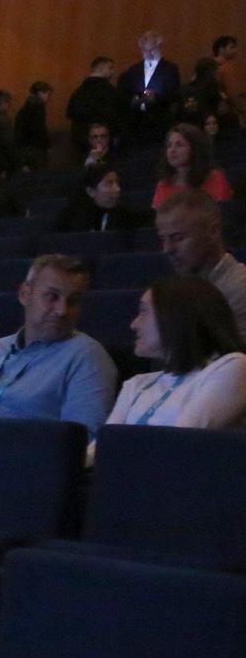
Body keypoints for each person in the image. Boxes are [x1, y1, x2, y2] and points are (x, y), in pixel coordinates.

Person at [0, 255, 117, 434]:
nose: (62, 311)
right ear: (25, 294)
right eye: (52, 296)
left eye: (73, 301)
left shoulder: (86, 356)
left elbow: (81, 442)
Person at [104, 275, 246, 430]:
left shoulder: (232, 367)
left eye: (143, 311)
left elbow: (179, 442)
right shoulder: (136, 384)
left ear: (176, 316)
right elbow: (104, 445)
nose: (134, 324)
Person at [157, 190, 246, 332]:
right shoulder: (182, 290)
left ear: (213, 232)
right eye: (163, 239)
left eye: (177, 238)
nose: (167, 249)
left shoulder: (241, 288)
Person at [119, 30, 182, 144]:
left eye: (152, 49)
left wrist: (156, 98)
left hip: (160, 121)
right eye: (145, 50)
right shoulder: (133, 70)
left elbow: (175, 93)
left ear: (159, 45)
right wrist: (134, 100)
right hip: (137, 124)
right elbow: (125, 94)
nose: (149, 53)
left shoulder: (170, 69)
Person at [153, 123, 234, 207]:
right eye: (169, 145)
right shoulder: (163, 184)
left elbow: (220, 216)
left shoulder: (215, 178)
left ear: (195, 149)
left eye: (179, 145)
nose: (172, 150)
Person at [58, 165, 150, 232]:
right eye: (109, 183)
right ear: (91, 191)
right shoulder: (71, 218)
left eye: (117, 183)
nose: (117, 189)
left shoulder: (128, 216)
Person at [68, 57, 123, 152]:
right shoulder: (109, 91)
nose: (112, 72)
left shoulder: (78, 92)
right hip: (105, 141)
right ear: (101, 67)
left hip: (81, 140)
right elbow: (116, 115)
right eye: (110, 68)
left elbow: (70, 113)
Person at [15, 82, 53, 171]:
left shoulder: (26, 107)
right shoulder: (38, 107)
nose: (49, 97)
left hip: (24, 146)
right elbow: (40, 129)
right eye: (48, 94)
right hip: (35, 147)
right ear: (40, 93)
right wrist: (46, 145)